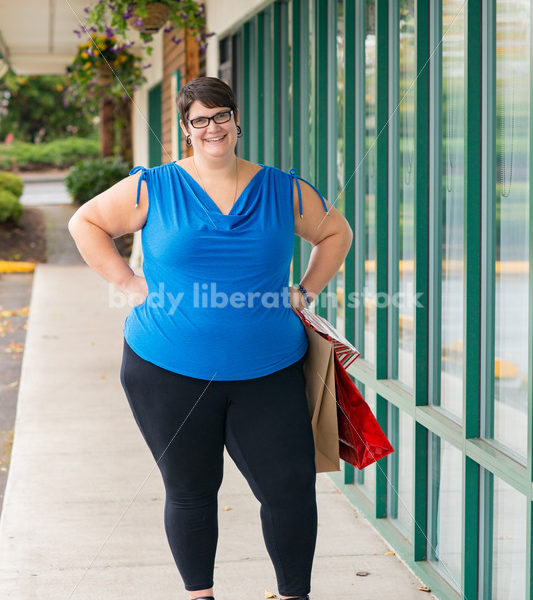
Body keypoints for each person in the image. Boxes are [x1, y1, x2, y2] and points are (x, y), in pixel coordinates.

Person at [68, 76, 353, 600]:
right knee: (192, 491)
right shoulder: (152, 186)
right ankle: (201, 595)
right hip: (166, 368)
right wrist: (128, 284)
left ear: (236, 121)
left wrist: (306, 290)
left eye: (220, 116)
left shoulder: (282, 189)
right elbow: (85, 223)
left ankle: (296, 595)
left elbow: (338, 234)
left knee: (290, 491)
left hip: (269, 368)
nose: (212, 128)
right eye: (199, 119)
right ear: (185, 128)